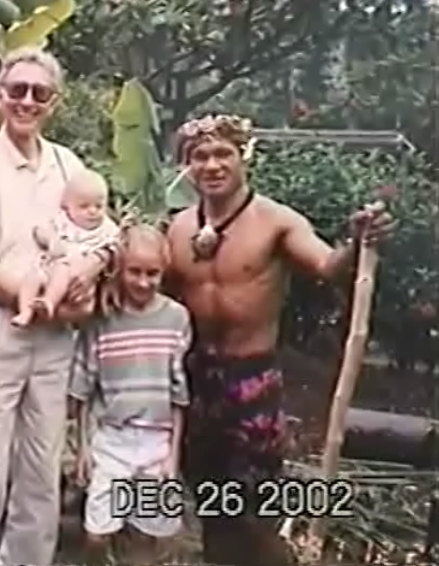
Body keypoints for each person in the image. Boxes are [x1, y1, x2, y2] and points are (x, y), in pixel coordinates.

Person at [164, 114, 395, 566]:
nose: (212, 165)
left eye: (223, 154)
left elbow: (327, 266)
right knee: (211, 506)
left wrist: (357, 242)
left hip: (251, 380)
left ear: (243, 157)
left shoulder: (276, 221)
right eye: (200, 156)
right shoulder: (176, 229)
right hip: (195, 381)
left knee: (255, 511)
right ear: (187, 166)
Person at [0, 46, 114, 566]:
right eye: (17, 90)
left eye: (39, 92)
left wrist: (92, 269)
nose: (27, 101)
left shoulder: (69, 166)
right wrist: (48, 305)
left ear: (53, 101)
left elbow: (103, 235)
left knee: (41, 474)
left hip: (53, 342)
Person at [69, 223, 192, 565]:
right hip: (111, 439)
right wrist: (82, 448)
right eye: (134, 272)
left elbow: (179, 395)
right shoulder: (102, 319)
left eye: (152, 274)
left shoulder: (176, 318)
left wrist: (173, 455)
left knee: (149, 534)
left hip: (157, 442)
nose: (143, 282)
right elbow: (83, 389)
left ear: (164, 271)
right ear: (119, 270)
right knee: (96, 532)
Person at [12, 167, 119, 327]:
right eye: (84, 206)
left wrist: (100, 259)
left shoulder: (106, 228)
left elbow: (116, 247)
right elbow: (39, 231)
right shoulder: (62, 221)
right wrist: (51, 240)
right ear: (66, 206)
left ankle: (49, 302)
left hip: (74, 276)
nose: (92, 211)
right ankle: (25, 312)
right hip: (49, 267)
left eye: (99, 206)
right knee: (32, 277)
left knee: (63, 269)